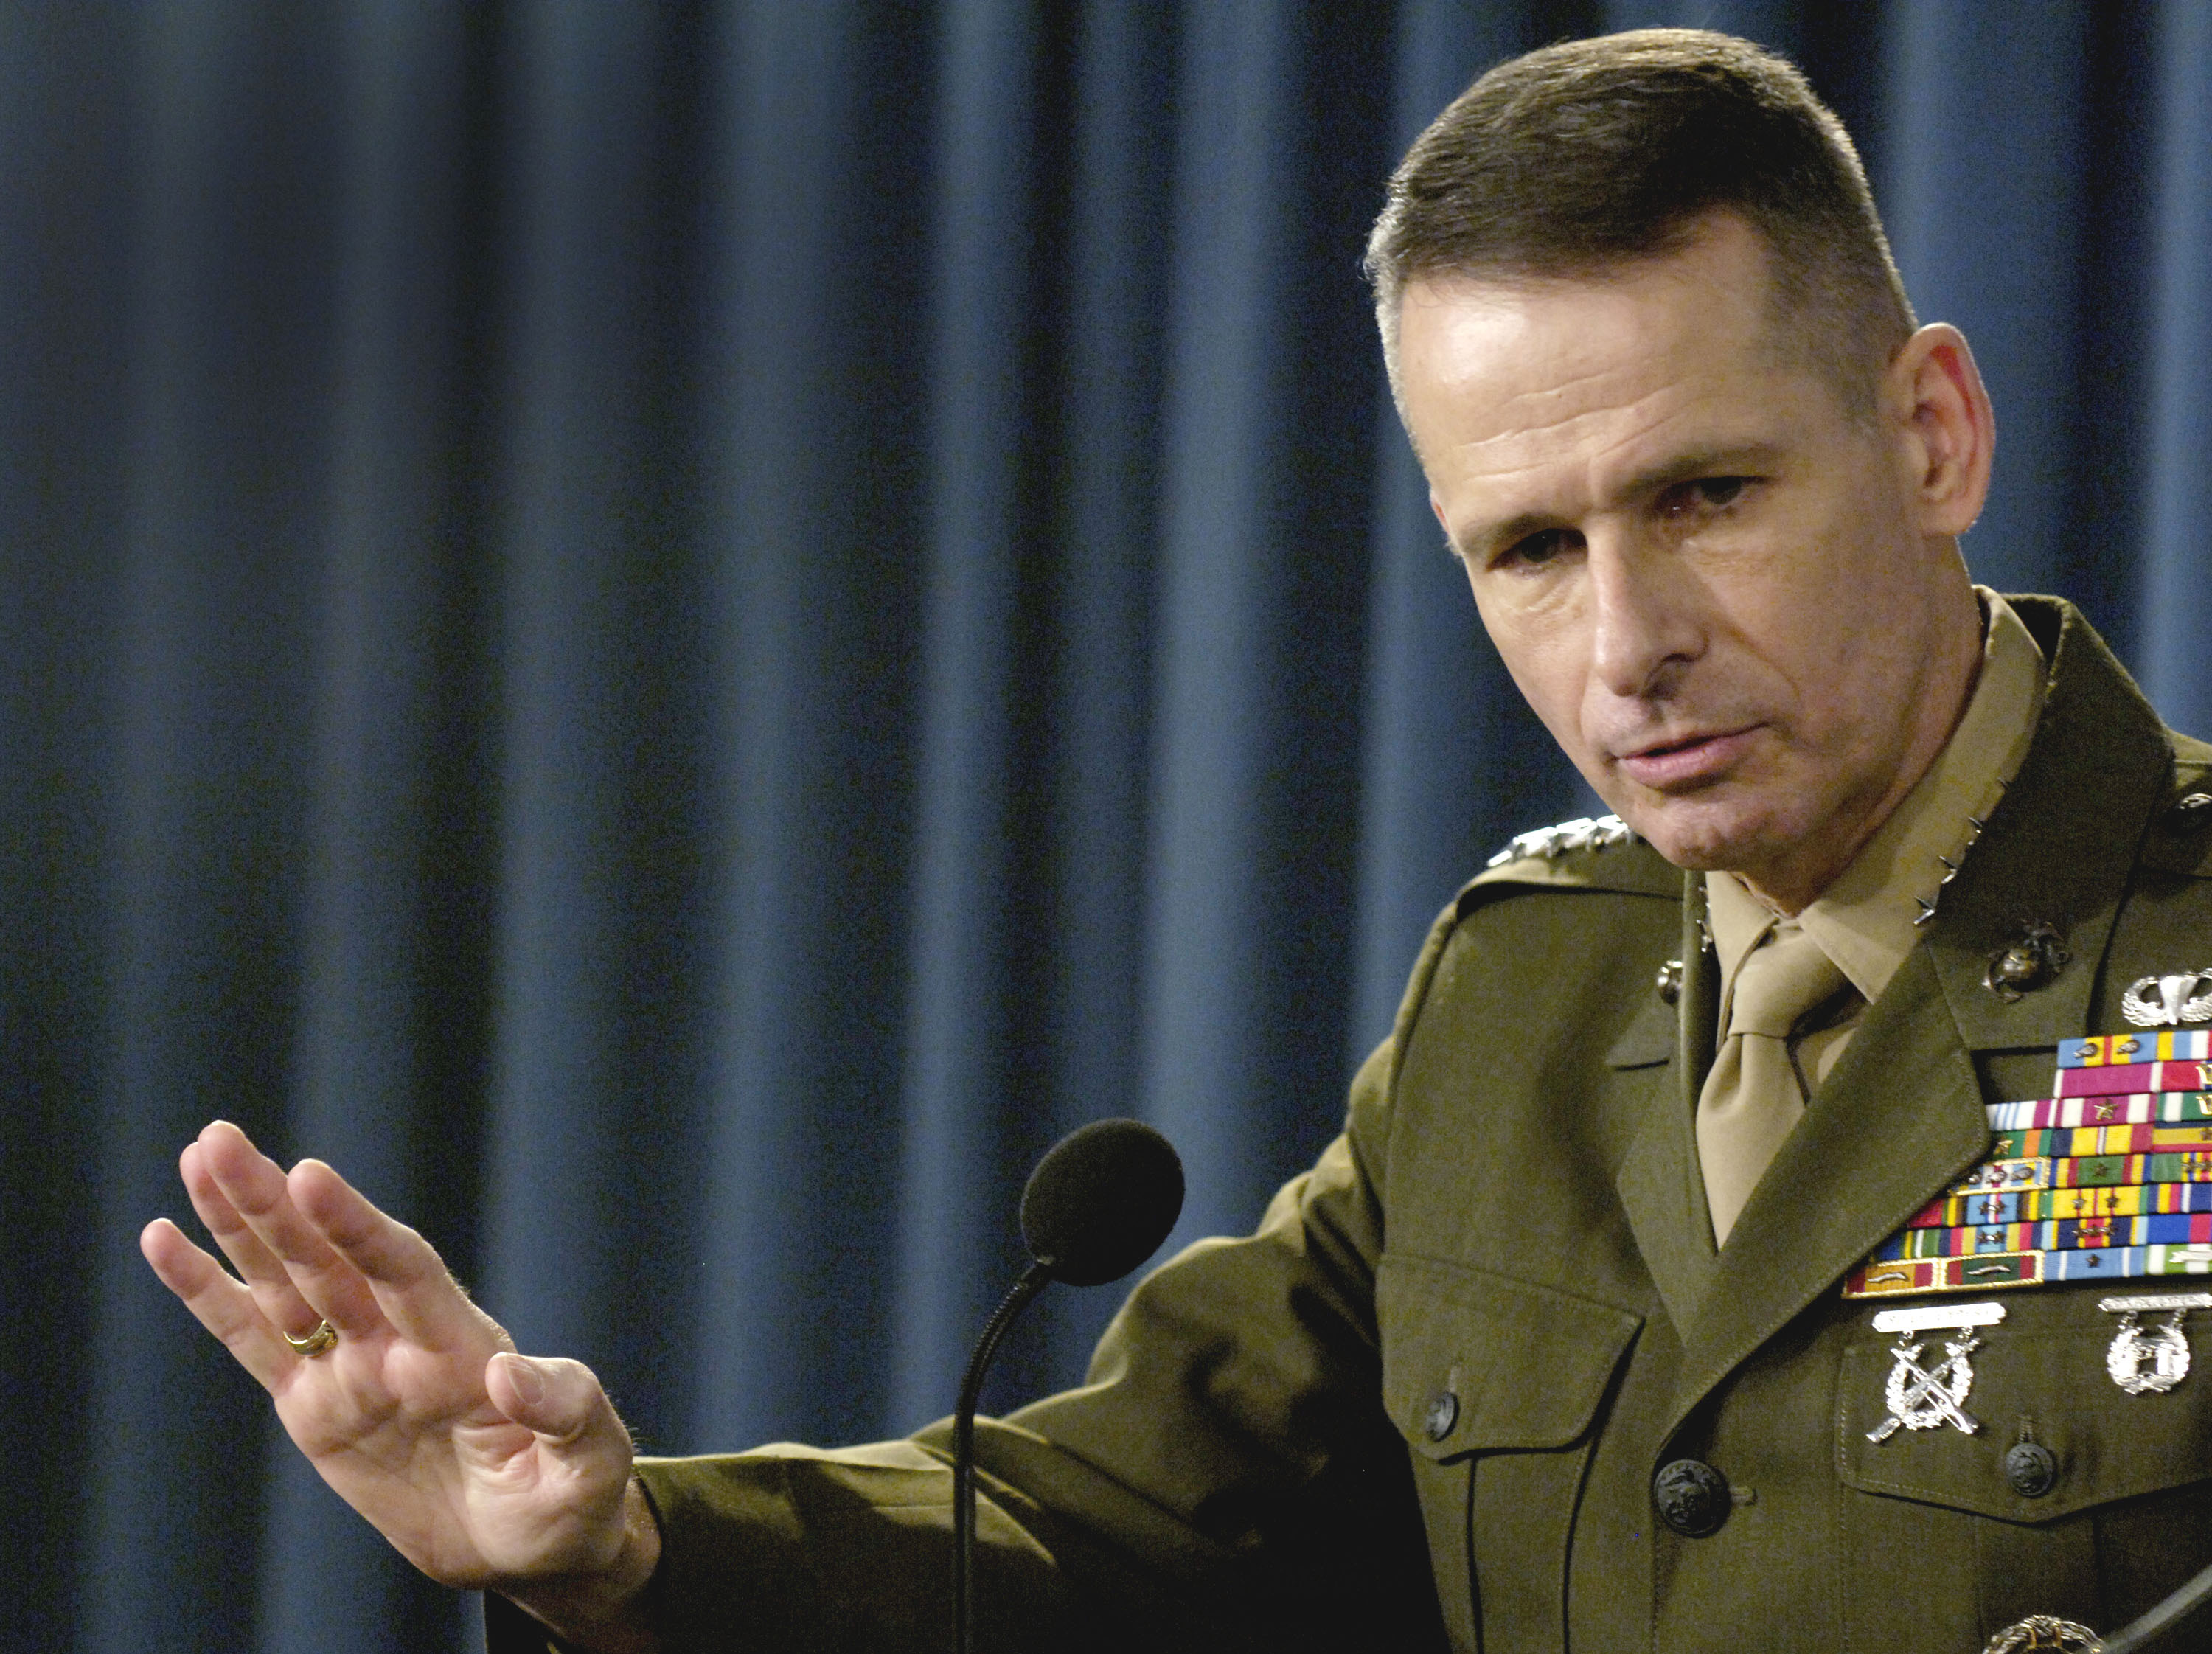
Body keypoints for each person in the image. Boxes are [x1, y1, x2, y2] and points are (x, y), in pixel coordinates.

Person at [142, 29, 2212, 1653]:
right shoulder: (1530, 984)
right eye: (1528, 548)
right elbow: (1126, 1522)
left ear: (1931, 431)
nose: (1629, 643)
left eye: (1705, 497)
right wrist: (630, 1539)